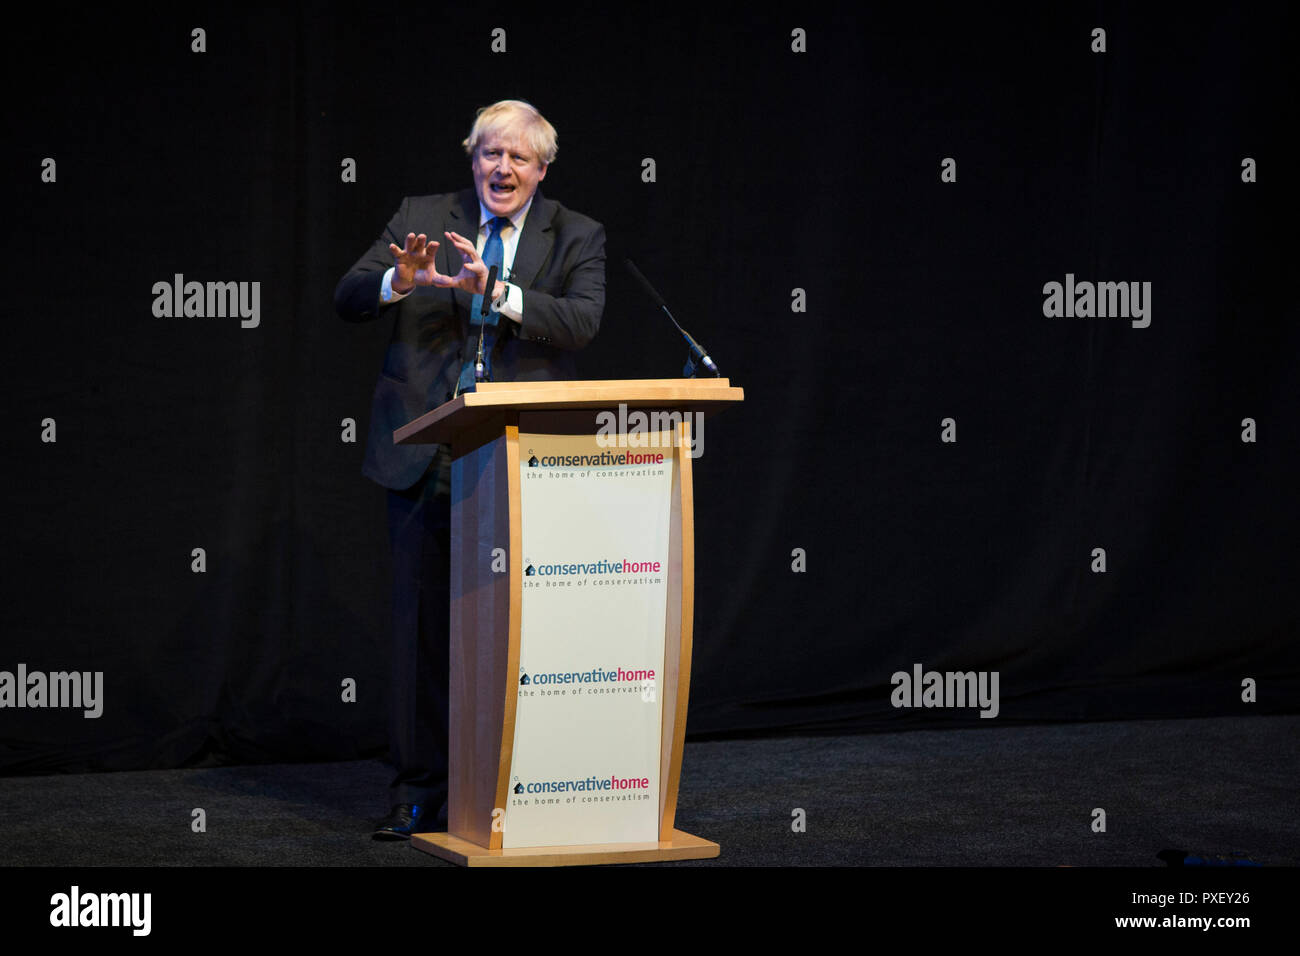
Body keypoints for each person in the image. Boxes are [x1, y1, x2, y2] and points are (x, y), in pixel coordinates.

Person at [334, 99, 606, 839]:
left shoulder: (576, 233)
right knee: (421, 633)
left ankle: (525, 786)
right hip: (424, 459)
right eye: (490, 152)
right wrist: (401, 281)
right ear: (473, 158)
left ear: (542, 170)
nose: (502, 168)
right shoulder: (420, 216)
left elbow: (581, 320)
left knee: (527, 634)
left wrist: (497, 290)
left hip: (523, 462)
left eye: (519, 158)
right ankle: (419, 793)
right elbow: (348, 297)